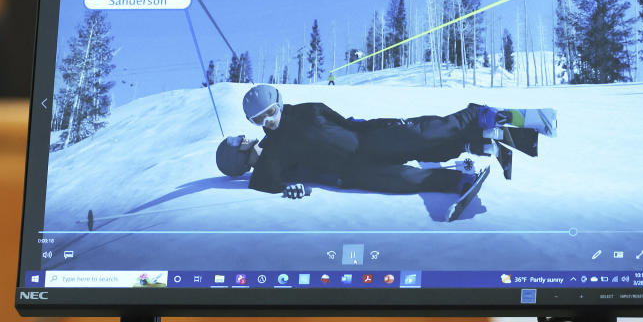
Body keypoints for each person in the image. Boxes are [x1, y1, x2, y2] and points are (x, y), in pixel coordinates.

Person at [215, 85, 532, 220]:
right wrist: (292, 188)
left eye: (270, 112)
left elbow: (341, 121)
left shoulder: (305, 110)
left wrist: (374, 127)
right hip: (352, 173)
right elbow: (270, 183)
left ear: (279, 103)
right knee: (407, 180)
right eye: (259, 120)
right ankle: (460, 181)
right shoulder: (267, 164)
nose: (267, 122)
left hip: (366, 140)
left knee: (423, 134)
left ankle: (479, 118)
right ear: (237, 158)